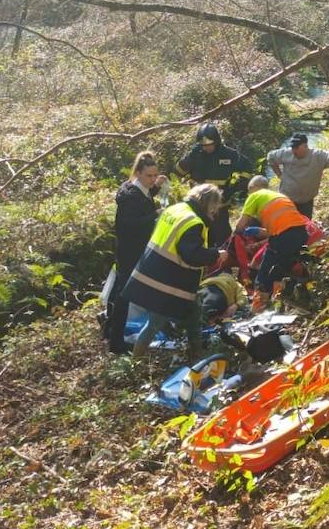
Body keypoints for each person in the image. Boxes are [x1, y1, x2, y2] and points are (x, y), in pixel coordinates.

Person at [122, 183, 226, 360]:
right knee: (154, 324)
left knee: (194, 313)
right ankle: (135, 362)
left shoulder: (176, 209)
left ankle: (196, 355)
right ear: (209, 204)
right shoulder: (194, 222)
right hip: (167, 284)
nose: (215, 212)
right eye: (214, 207)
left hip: (153, 272)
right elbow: (192, 255)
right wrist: (216, 254)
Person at [105, 151, 167, 354]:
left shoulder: (142, 189)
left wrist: (156, 185)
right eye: (149, 176)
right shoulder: (130, 195)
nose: (152, 179)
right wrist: (154, 215)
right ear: (138, 173)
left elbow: (145, 198)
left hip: (138, 250)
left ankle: (112, 331)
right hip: (129, 252)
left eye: (154, 175)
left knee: (123, 294)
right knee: (124, 297)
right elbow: (126, 224)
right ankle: (115, 342)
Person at [234, 175, 311, 311]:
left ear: (253, 188)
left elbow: (240, 225)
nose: (248, 194)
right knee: (280, 271)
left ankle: (257, 310)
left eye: (248, 191)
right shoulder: (279, 196)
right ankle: (278, 306)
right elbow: (279, 229)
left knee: (264, 275)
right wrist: (258, 231)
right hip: (301, 234)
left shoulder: (255, 195)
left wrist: (238, 233)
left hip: (284, 237)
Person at [177, 123, 254, 243]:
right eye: (203, 145)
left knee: (222, 239)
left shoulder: (229, 154)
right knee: (198, 239)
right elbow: (178, 172)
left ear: (217, 142)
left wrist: (234, 188)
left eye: (210, 145)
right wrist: (189, 159)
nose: (206, 148)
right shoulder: (195, 155)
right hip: (198, 207)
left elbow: (248, 168)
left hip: (220, 207)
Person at [265, 132, 329, 219]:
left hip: (306, 201)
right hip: (286, 200)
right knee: (286, 226)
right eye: (292, 147)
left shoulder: (318, 156)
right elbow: (270, 157)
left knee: (305, 227)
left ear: (305, 146)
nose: (294, 150)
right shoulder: (286, 153)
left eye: (296, 147)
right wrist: (279, 175)